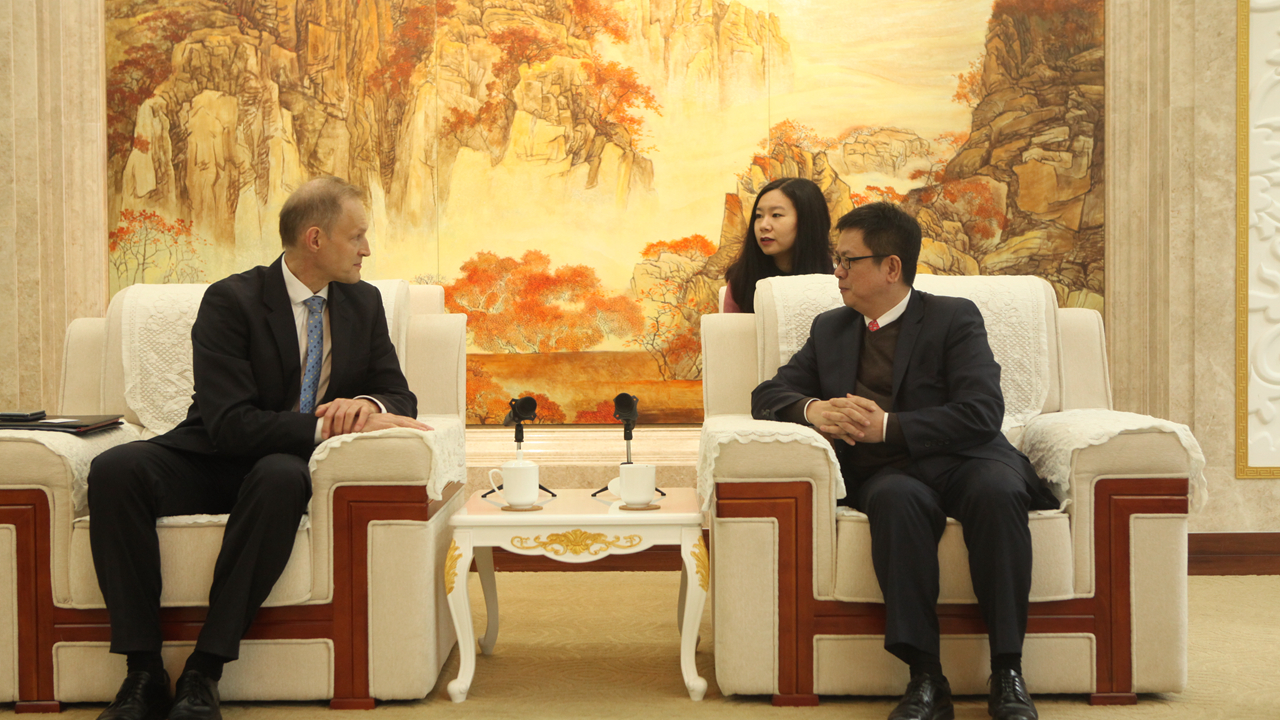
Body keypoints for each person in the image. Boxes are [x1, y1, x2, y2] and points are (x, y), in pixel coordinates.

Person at [87, 176, 432, 720]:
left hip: (281, 468)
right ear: (315, 239)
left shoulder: (363, 303)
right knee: (115, 468)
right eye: (357, 236)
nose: (367, 249)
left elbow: (398, 394)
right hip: (211, 456)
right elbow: (229, 425)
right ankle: (142, 672)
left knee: (281, 477)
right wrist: (326, 426)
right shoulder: (232, 300)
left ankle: (204, 670)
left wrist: (364, 403)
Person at [751, 202, 1057, 720]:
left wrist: (888, 426)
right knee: (896, 501)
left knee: (998, 491)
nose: (837, 271)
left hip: (967, 458)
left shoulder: (953, 317)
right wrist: (812, 409)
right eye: (837, 259)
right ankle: (926, 678)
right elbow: (767, 394)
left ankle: (1008, 672)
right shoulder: (831, 329)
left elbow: (982, 412)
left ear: (891, 267)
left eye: (848, 261)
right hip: (887, 472)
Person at [722, 176, 834, 313]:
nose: (763, 226)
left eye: (776, 215)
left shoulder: (837, 276)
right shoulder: (742, 279)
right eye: (759, 216)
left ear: (808, 220)